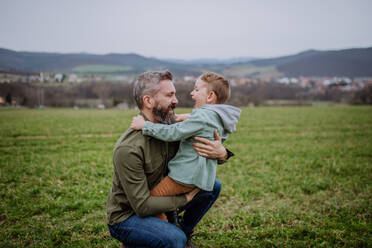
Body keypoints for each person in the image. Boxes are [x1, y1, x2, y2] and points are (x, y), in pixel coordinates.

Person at [106, 70, 233, 248]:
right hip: (130, 215)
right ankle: (138, 239)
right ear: (148, 101)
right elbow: (142, 206)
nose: (176, 101)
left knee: (213, 186)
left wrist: (222, 153)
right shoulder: (128, 149)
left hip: (162, 198)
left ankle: (183, 229)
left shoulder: (173, 128)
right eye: (170, 95)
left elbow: (204, 142)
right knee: (174, 240)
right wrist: (185, 200)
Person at [130, 72, 241, 222]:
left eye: (196, 89)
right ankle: (182, 226)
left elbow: (173, 132)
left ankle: (166, 229)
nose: (191, 93)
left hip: (184, 176)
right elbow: (206, 123)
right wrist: (190, 117)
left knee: (154, 200)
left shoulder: (201, 118)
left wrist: (145, 126)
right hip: (199, 177)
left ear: (210, 96)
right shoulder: (217, 118)